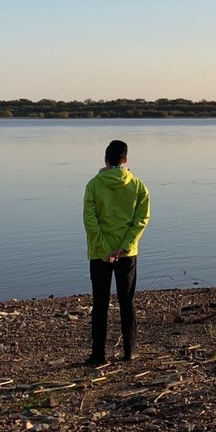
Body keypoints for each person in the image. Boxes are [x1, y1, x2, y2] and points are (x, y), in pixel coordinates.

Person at [82, 139, 150, 365]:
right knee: (127, 301)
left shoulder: (93, 184)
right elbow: (141, 219)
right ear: (126, 160)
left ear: (105, 160)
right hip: (127, 254)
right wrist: (125, 245)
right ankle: (130, 351)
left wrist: (104, 248)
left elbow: (90, 220)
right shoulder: (138, 185)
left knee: (100, 303)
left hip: (99, 254)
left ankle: (98, 355)